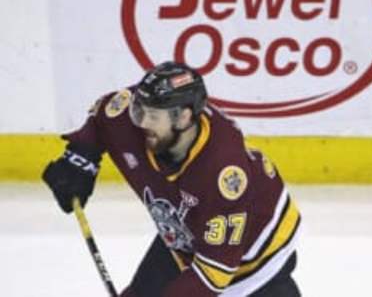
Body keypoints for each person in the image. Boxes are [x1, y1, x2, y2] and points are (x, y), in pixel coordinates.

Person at [42, 61, 302, 297]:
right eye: (139, 111)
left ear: (184, 117)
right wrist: (80, 159)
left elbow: (213, 273)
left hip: (257, 255)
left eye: (153, 117)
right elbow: (103, 117)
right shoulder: (136, 120)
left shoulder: (222, 171)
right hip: (184, 234)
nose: (141, 122)